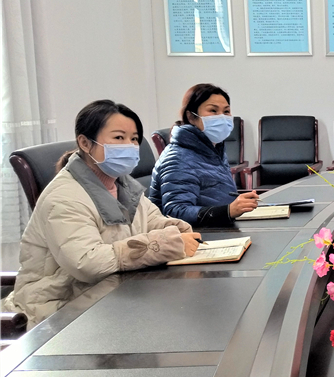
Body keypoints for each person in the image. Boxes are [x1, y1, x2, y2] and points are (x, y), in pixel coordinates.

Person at [2, 101, 201, 327]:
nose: (130, 145)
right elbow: (87, 263)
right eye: (119, 137)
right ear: (85, 143)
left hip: (113, 297)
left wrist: (175, 230)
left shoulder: (122, 184)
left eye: (134, 139)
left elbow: (152, 220)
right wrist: (163, 243)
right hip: (59, 311)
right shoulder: (64, 197)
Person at [149, 84, 259, 227]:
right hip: (195, 235)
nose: (222, 117)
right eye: (213, 110)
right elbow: (175, 212)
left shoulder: (213, 150)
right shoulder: (178, 158)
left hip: (219, 228)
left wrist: (238, 204)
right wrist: (227, 211)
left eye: (226, 111)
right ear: (191, 116)